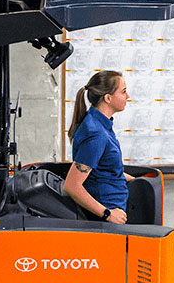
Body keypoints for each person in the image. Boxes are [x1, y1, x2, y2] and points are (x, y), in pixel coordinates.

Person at [63, 71, 154, 224]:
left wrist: (134, 180)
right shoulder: (96, 135)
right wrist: (108, 214)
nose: (128, 96)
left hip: (116, 205)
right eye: (123, 92)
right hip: (109, 215)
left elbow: (103, 168)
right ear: (108, 98)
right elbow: (71, 186)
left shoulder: (101, 123)